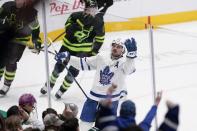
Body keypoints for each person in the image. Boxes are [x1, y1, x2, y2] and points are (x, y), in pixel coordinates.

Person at [55, 37, 137, 130]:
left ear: (123, 50)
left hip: (110, 101)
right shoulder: (101, 57)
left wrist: (131, 57)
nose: (115, 48)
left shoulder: (125, 63)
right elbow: (84, 63)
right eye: (114, 45)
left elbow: (129, 69)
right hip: (93, 98)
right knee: (84, 125)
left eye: (119, 47)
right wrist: (68, 58)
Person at [40, 0, 105, 99]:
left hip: (83, 51)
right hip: (67, 47)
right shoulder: (75, 16)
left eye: (94, 8)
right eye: (90, 9)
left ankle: (62, 90)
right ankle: (50, 84)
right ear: (85, 9)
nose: (93, 11)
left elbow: (100, 38)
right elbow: (67, 28)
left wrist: (94, 51)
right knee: (58, 68)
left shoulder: (98, 21)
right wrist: (74, 27)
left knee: (73, 72)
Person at [0, 0, 41, 96]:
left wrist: (36, 40)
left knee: (11, 61)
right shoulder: (6, 6)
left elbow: (35, 28)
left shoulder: (31, 13)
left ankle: (6, 85)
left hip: (20, 40)